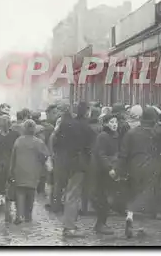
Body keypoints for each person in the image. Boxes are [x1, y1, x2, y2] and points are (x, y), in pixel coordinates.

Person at [112, 106, 161, 239]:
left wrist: (117, 169)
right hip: (152, 168)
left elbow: (123, 154)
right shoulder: (158, 132)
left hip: (134, 167)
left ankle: (130, 216)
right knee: (146, 197)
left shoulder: (131, 133)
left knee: (134, 194)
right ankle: (141, 227)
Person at [54, 101, 96, 238]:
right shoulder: (86, 128)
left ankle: (70, 223)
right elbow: (90, 149)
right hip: (79, 164)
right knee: (73, 195)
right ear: (87, 111)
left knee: (70, 193)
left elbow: (57, 142)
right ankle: (69, 227)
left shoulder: (67, 124)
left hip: (66, 163)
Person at [10, 119, 51, 224]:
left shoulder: (18, 140)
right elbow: (45, 156)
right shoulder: (38, 142)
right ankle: (28, 216)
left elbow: (13, 157)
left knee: (20, 192)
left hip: (19, 171)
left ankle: (19, 215)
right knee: (31, 194)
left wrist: (11, 171)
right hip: (33, 172)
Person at [90, 113, 122, 235]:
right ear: (105, 124)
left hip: (110, 169)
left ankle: (102, 223)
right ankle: (100, 224)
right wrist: (109, 168)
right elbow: (101, 154)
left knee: (107, 198)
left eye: (116, 122)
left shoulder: (115, 135)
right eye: (111, 122)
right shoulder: (103, 136)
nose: (114, 125)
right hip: (102, 171)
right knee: (103, 198)